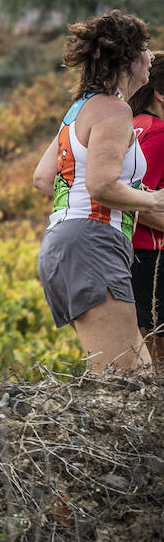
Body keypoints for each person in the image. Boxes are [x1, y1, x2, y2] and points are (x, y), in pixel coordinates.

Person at [33, 10, 162, 374]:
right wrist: (152, 198)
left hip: (68, 242)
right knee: (128, 380)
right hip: (92, 243)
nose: (151, 56)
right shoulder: (114, 111)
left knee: (133, 376)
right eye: (145, 48)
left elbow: (44, 177)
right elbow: (101, 185)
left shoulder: (79, 109)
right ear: (127, 60)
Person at [128, 54, 164, 365]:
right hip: (150, 256)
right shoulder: (158, 131)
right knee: (154, 356)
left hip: (131, 252)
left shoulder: (134, 124)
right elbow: (138, 202)